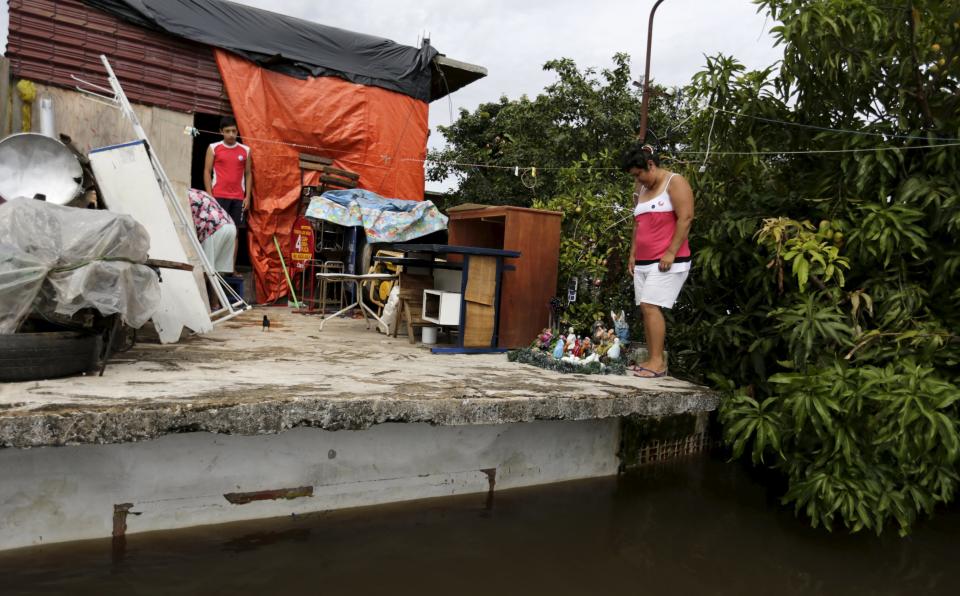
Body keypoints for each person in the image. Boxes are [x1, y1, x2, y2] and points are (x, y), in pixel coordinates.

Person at [622, 143, 694, 378]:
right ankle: (652, 360)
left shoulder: (675, 182)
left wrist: (671, 252)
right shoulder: (641, 191)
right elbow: (638, 224)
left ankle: (658, 363)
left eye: (639, 174)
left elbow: (686, 217)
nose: (638, 180)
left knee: (651, 305)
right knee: (645, 308)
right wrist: (632, 253)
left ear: (650, 164)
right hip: (643, 260)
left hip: (667, 260)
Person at [204, 116, 252, 229]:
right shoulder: (213, 148)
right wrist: (210, 195)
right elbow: (207, 171)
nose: (231, 134)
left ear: (237, 131)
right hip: (218, 196)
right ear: (221, 131)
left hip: (238, 198)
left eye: (234, 131)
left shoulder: (246, 150)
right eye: (227, 131)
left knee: (235, 231)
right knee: (218, 229)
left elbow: (249, 173)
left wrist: (248, 197)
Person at [189, 187, 237, 286]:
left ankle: (201, 299)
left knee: (205, 270)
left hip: (213, 226)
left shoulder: (183, 197)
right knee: (216, 271)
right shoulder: (198, 192)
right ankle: (215, 301)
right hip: (230, 225)